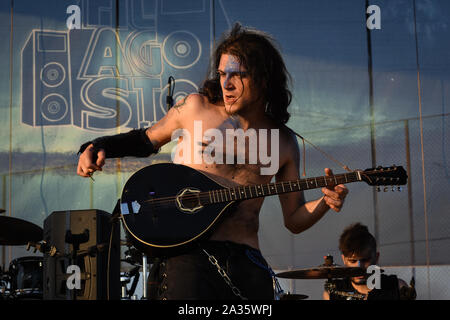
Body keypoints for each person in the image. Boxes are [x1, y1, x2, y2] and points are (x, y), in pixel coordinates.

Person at [77, 23, 349, 300]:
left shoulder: (284, 142)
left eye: (238, 75)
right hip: (189, 256)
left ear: (263, 78)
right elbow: (147, 139)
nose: (227, 84)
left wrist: (326, 202)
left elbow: (294, 219)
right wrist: (99, 146)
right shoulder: (195, 108)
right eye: (222, 73)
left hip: (247, 260)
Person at [323, 223, 416, 300]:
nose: (359, 266)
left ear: (376, 257)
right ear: (344, 259)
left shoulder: (397, 287)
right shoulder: (334, 292)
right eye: (353, 261)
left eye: (365, 260)